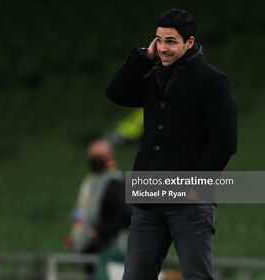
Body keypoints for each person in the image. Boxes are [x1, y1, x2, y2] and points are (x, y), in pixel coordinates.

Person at [106, 9, 237, 280]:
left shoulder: (214, 82)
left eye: (171, 41)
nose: (163, 48)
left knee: (196, 276)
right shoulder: (154, 77)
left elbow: (224, 142)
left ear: (189, 43)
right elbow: (116, 93)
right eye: (159, 40)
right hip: (148, 198)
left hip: (189, 201)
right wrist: (145, 57)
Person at [67, 139, 132, 277]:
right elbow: (81, 210)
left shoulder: (114, 181)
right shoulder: (90, 181)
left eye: (99, 156)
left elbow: (125, 215)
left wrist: (100, 232)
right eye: (93, 156)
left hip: (109, 249)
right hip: (88, 246)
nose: (96, 160)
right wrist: (76, 235)